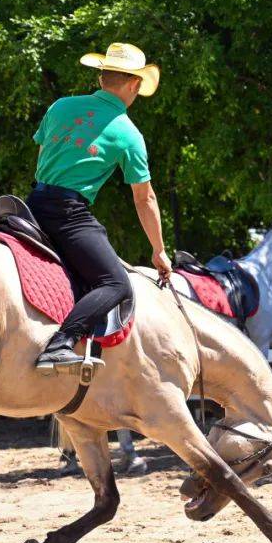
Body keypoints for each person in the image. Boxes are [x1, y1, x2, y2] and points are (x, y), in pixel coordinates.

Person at [28, 42, 171, 372]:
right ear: (134, 84)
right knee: (116, 285)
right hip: (68, 215)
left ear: (102, 77)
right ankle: (62, 342)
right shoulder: (127, 132)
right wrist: (159, 251)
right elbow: (144, 198)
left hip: (32, 205)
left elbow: (42, 162)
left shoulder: (60, 106)